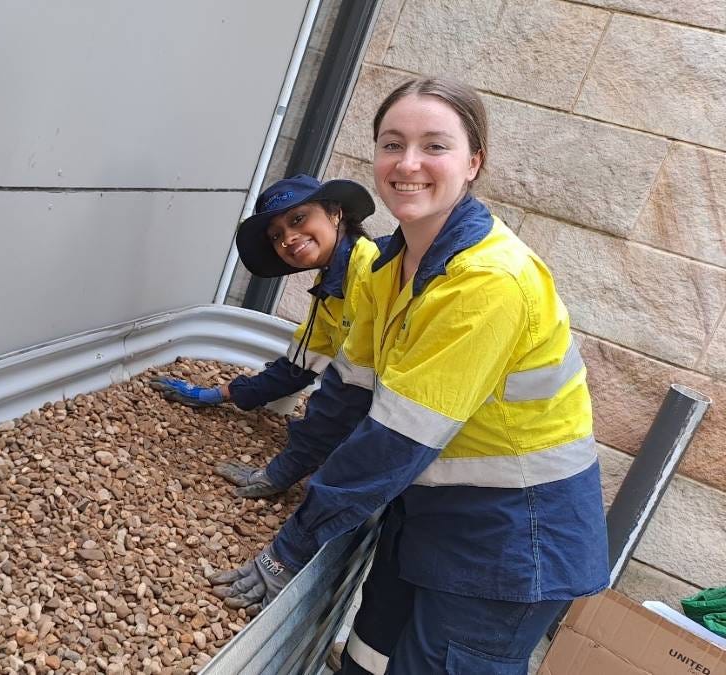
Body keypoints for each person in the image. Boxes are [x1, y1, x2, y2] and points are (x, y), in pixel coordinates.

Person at [210, 76, 609, 674]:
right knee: (368, 658)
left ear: (474, 162)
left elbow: (394, 439)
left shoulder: (487, 281)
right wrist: (282, 473)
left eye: (435, 146)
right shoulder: (385, 266)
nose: (409, 163)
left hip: (512, 538)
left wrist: (291, 547)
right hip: (427, 510)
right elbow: (347, 394)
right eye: (392, 144)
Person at [151, 174, 379, 498]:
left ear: (335, 211)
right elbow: (296, 370)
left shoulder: (372, 276)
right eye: (276, 235)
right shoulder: (331, 289)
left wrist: (281, 472)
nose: (288, 238)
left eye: (298, 218)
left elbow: (346, 398)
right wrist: (215, 395)